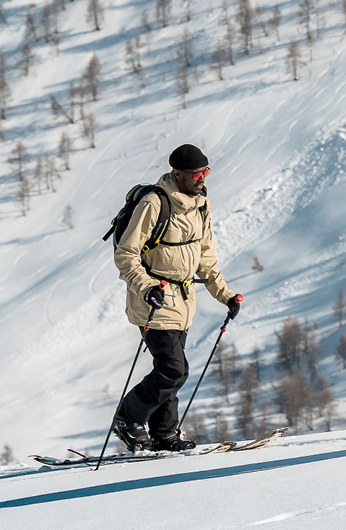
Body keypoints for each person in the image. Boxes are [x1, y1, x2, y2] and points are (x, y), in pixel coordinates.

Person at [112, 144, 242, 451]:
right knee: (173, 369)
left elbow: (205, 261)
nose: (202, 178)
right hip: (153, 302)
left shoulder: (200, 206)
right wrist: (146, 287)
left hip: (182, 301)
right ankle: (127, 419)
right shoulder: (154, 204)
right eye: (197, 173)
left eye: (206, 172)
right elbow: (126, 254)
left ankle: (164, 433)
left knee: (172, 370)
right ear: (177, 173)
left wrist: (225, 295)